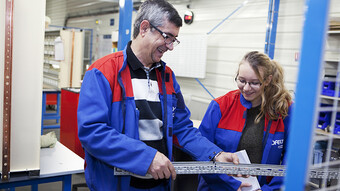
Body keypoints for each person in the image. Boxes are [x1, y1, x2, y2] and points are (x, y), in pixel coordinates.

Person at [77, 0, 239, 190]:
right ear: (144, 28)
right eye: (167, 37)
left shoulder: (167, 77)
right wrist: (146, 157)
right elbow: (92, 131)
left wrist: (214, 154)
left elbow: (181, 128)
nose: (170, 46)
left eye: (174, 40)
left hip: (159, 184)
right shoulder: (103, 72)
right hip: (117, 184)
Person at [197, 51, 293, 191]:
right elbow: (202, 151)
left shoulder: (284, 110)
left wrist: (269, 189)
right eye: (241, 80)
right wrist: (231, 185)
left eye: (254, 83)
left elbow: (292, 158)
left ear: (267, 80)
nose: (246, 88)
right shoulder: (220, 106)